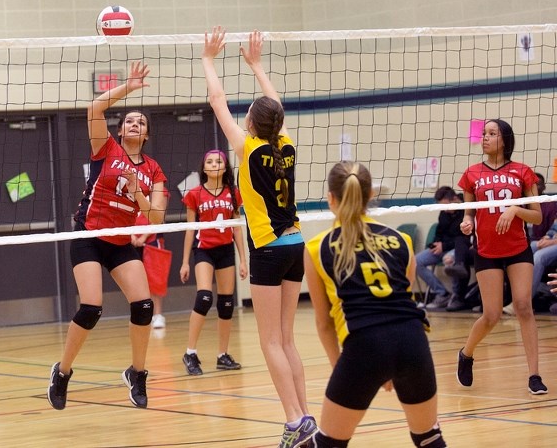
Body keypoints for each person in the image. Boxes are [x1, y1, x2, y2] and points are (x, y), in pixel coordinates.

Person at [203, 26, 315, 448]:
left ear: (250, 121)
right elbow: (277, 108)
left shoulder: (247, 148)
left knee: (270, 340)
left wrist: (208, 59)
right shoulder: (286, 144)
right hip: (294, 245)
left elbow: (217, 100)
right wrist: (256, 65)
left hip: (268, 248)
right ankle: (305, 417)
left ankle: (293, 420)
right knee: (286, 338)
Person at [47, 61, 167, 410]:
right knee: (91, 307)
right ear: (121, 128)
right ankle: (63, 372)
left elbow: (155, 218)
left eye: (141, 122)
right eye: (130, 119)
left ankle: (137, 373)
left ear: (146, 135)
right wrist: (129, 87)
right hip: (89, 234)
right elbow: (94, 107)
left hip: (120, 241)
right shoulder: (106, 148)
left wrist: (137, 192)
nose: (135, 123)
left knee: (143, 305)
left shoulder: (154, 169)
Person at [305, 161, 447, 448]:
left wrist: (343, 368)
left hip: (364, 345)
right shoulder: (401, 239)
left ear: (331, 198)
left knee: (328, 443)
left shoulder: (317, 247)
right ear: (370, 196)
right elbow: (404, 298)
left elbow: (324, 323)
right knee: (428, 438)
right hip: (412, 342)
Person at [455, 118, 547, 395]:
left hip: (518, 248)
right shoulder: (471, 174)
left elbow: (537, 214)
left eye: (491, 134)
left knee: (523, 306)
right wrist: (466, 222)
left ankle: (534, 375)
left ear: (504, 140)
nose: (484, 138)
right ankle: (466, 353)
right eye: (483, 134)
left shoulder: (523, 172)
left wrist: (515, 210)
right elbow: (468, 213)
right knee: (492, 314)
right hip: (487, 251)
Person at [179, 149, 248, 375]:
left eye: (218, 161)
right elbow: (190, 230)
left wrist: (243, 260)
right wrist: (185, 262)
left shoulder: (233, 192)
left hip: (226, 250)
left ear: (225, 167)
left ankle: (222, 355)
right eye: (209, 161)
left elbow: (237, 228)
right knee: (204, 297)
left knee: (226, 303)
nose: (214, 164)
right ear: (204, 167)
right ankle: (190, 353)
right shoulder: (195, 194)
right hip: (204, 251)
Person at [502, 172, 557, 314]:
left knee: (539, 257)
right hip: (548, 241)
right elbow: (554, 227)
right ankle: (513, 297)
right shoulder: (525, 204)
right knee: (527, 248)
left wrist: (552, 241)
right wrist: (547, 238)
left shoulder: (551, 203)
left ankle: (523, 303)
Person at [414, 186, 464, 309]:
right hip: (442, 247)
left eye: (446, 206)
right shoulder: (444, 212)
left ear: (455, 199)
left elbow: (463, 239)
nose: (445, 210)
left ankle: (457, 296)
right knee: (416, 261)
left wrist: (444, 246)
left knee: (449, 259)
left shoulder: (466, 211)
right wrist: (435, 244)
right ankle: (442, 294)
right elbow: (439, 232)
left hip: (458, 248)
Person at [131, 208, 169, 329]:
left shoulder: (157, 192)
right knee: (136, 280)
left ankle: (157, 315)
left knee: (155, 277)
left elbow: (159, 216)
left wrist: (143, 237)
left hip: (152, 239)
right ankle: (142, 314)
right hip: (132, 239)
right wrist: (131, 234)